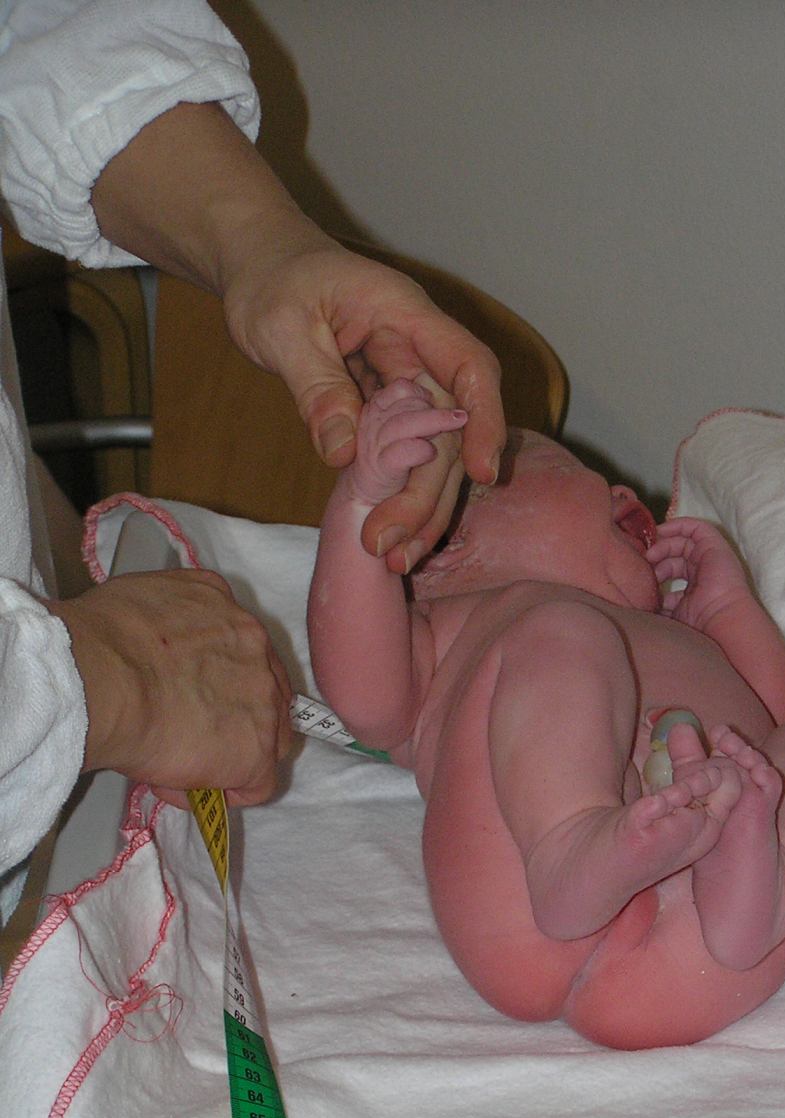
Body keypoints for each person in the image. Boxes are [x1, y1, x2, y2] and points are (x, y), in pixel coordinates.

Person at [0, 0, 505, 931]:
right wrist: (106, 678)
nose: (620, 494)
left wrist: (264, 247)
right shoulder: (492, 636)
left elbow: (37, 24)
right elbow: (376, 703)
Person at [308, 381, 785, 1049]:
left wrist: (730, 611)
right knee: (562, 631)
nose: (621, 491)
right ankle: (570, 838)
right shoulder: (449, 628)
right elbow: (366, 701)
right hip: (527, 898)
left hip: (692, 953)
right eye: (566, 468)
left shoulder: (682, 636)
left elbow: (778, 725)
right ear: (448, 540)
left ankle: (770, 890)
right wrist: (365, 510)